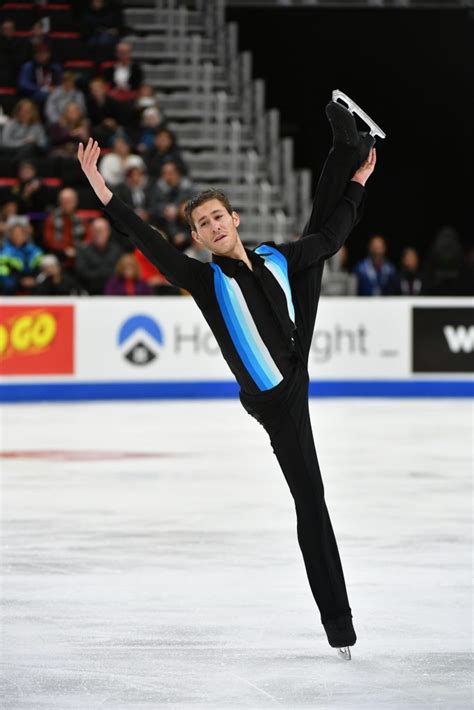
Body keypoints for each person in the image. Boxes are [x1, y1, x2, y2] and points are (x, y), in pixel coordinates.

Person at [77, 93, 379, 659]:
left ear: (234, 219)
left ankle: (346, 147)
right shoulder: (205, 284)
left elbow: (334, 235)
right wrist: (101, 189)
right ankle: (339, 625)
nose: (212, 226)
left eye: (218, 216)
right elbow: (144, 239)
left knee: (318, 239)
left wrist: (359, 184)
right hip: (276, 399)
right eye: (202, 223)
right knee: (310, 499)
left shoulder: (275, 256)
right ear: (196, 237)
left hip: (297, 341)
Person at [75, 216, 122, 294]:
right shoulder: (83, 250)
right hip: (90, 292)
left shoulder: (116, 250)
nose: (98, 234)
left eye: (101, 230)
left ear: (108, 232)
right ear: (91, 232)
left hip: (114, 292)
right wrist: (105, 274)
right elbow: (81, 272)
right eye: (96, 230)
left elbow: (119, 272)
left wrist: (98, 273)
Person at [0, 215, 43, 294]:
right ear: (10, 235)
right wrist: (20, 280)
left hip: (32, 282)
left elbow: (40, 269)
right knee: (8, 284)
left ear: (25, 235)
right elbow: (3, 271)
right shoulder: (3, 251)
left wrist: (34, 279)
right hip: (12, 284)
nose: (17, 236)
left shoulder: (35, 251)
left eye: (20, 234)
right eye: (15, 234)